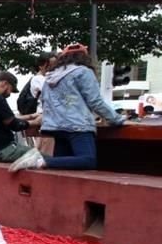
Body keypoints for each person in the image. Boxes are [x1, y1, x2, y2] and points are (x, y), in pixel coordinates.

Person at [9, 44, 126, 172]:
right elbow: (96, 101)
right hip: (77, 125)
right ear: (84, 57)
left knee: (63, 168)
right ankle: (40, 159)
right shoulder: (83, 72)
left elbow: (46, 102)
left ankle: (41, 161)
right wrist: (116, 119)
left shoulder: (51, 76)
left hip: (55, 127)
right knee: (88, 160)